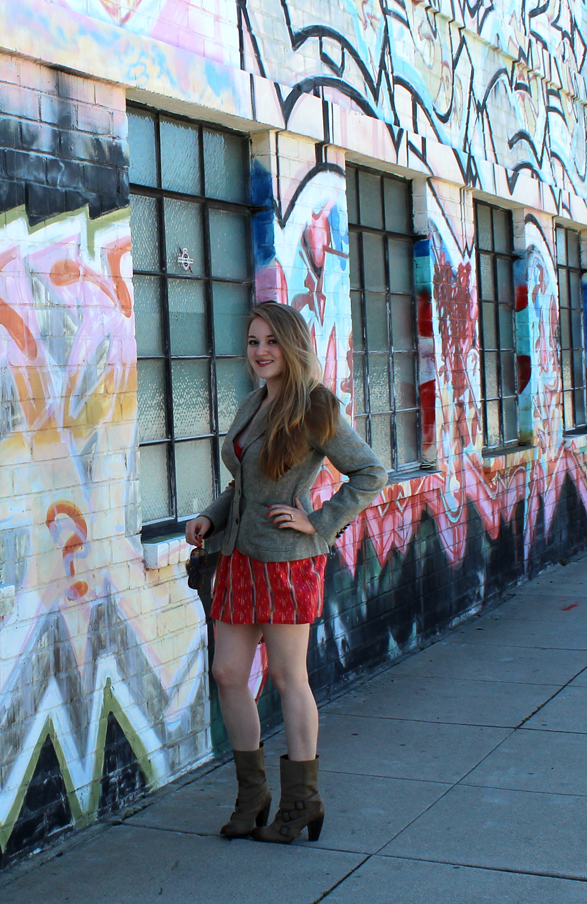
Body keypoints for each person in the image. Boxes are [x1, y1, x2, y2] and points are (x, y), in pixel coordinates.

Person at [184, 301, 387, 843]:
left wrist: (318, 523)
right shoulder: (252, 404)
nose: (261, 351)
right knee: (228, 674)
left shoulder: (317, 407)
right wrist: (210, 516)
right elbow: (244, 487)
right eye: (253, 341)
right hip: (237, 560)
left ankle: (302, 801)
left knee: (286, 677)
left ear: (292, 345)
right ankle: (253, 795)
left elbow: (371, 471)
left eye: (271, 341)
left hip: (286, 565)